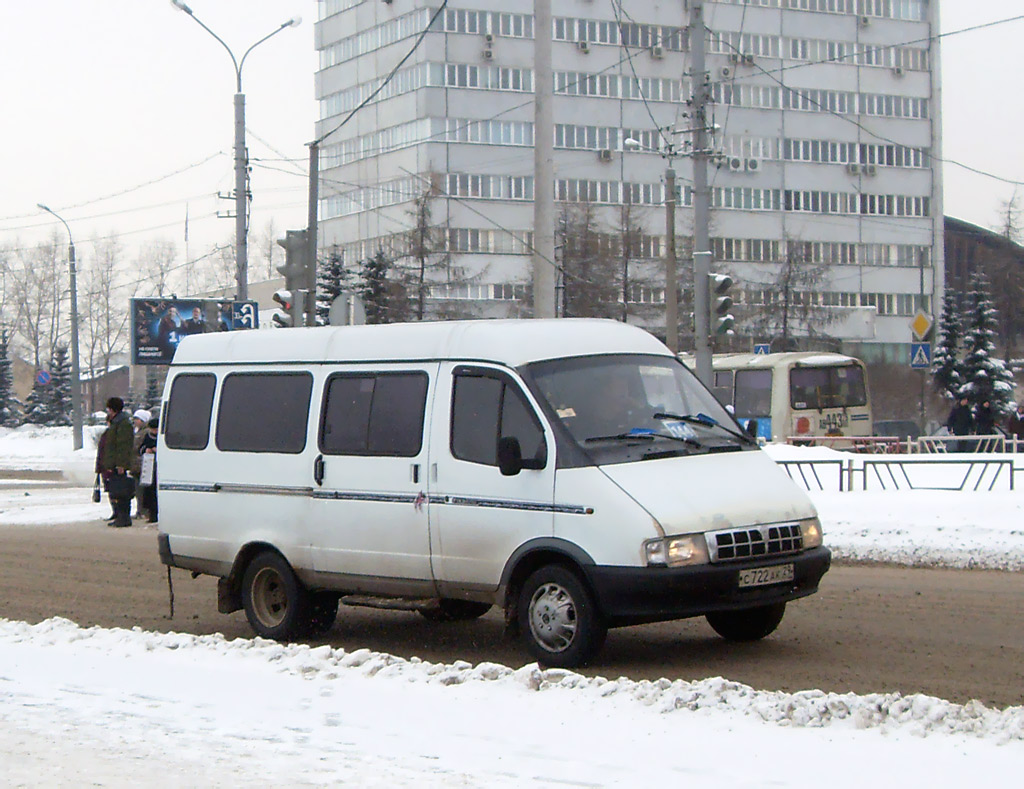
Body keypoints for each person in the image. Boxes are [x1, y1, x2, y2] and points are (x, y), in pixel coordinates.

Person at [99, 397, 135, 528]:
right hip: (113, 462)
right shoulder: (116, 422)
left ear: (113, 409)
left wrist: (121, 464)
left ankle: (124, 517)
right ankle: (120, 516)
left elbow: (123, 445)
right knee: (116, 491)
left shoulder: (123, 423)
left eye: (109, 409)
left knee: (122, 491)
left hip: (118, 463)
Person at [130, 408, 151, 519]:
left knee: (142, 490)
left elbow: (138, 447)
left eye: (137, 419)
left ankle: (143, 510)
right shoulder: (137, 432)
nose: (135, 421)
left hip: (142, 464)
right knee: (138, 490)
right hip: (136, 465)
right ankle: (140, 510)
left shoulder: (145, 432)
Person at [139, 417, 159, 524]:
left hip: (159, 467)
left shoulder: (162, 437)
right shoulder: (147, 436)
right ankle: (151, 514)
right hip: (149, 466)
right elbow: (141, 448)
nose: (154, 432)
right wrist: (146, 450)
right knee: (149, 491)